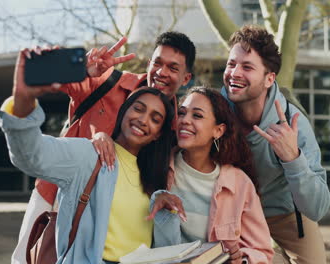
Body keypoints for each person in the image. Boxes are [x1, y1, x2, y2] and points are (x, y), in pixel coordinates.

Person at [11, 31, 196, 263]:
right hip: (59, 191)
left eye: (173, 67)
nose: (161, 72)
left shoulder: (174, 128)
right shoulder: (109, 80)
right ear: (149, 63)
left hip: (115, 218)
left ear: (186, 78)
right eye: (157, 63)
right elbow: (43, 74)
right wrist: (79, 68)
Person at [221, 25, 330, 264]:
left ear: (269, 78)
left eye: (247, 67)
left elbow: (318, 207)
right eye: (231, 64)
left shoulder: (295, 123)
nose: (235, 73)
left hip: (285, 213)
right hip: (233, 213)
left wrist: (293, 159)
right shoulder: (215, 110)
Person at [146, 87, 274, 264]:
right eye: (182, 113)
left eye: (197, 116)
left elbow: (262, 251)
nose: (185, 120)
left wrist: (240, 260)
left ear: (218, 130)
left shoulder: (239, 183)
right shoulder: (157, 165)